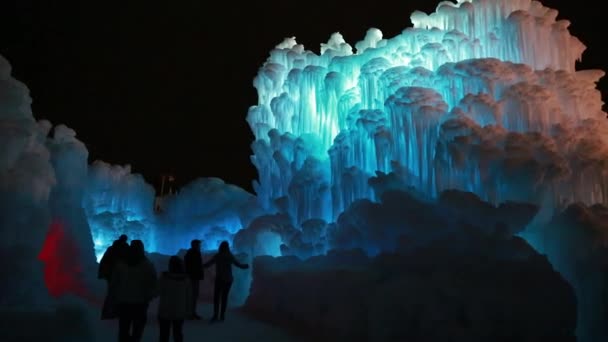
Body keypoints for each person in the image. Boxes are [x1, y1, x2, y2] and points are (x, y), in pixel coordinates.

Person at [110, 240, 158, 342]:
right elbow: (153, 283)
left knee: (123, 328)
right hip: (140, 303)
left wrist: (115, 296)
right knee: (137, 330)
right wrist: (149, 296)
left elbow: (114, 282)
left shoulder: (121, 264)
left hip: (124, 302)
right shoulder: (147, 265)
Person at [203, 241, 249, 323]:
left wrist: (200, 266)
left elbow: (208, 264)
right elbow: (238, 264)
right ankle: (222, 316)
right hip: (228, 279)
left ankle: (215, 315)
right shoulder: (229, 256)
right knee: (224, 298)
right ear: (227, 248)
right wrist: (245, 266)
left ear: (220, 247)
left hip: (219, 279)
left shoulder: (218, 256)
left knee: (216, 298)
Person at [158, 256, 192, 342]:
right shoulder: (186, 280)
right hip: (179, 311)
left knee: (164, 335)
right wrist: (188, 310)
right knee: (178, 333)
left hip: (165, 311)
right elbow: (189, 297)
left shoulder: (164, 278)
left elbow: (156, 291)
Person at [184, 239, 204, 319]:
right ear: (195, 245)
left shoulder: (191, 253)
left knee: (192, 295)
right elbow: (194, 265)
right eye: (199, 245)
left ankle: (191, 312)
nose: (200, 246)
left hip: (193, 276)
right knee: (193, 295)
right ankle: (191, 313)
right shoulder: (194, 253)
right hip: (193, 277)